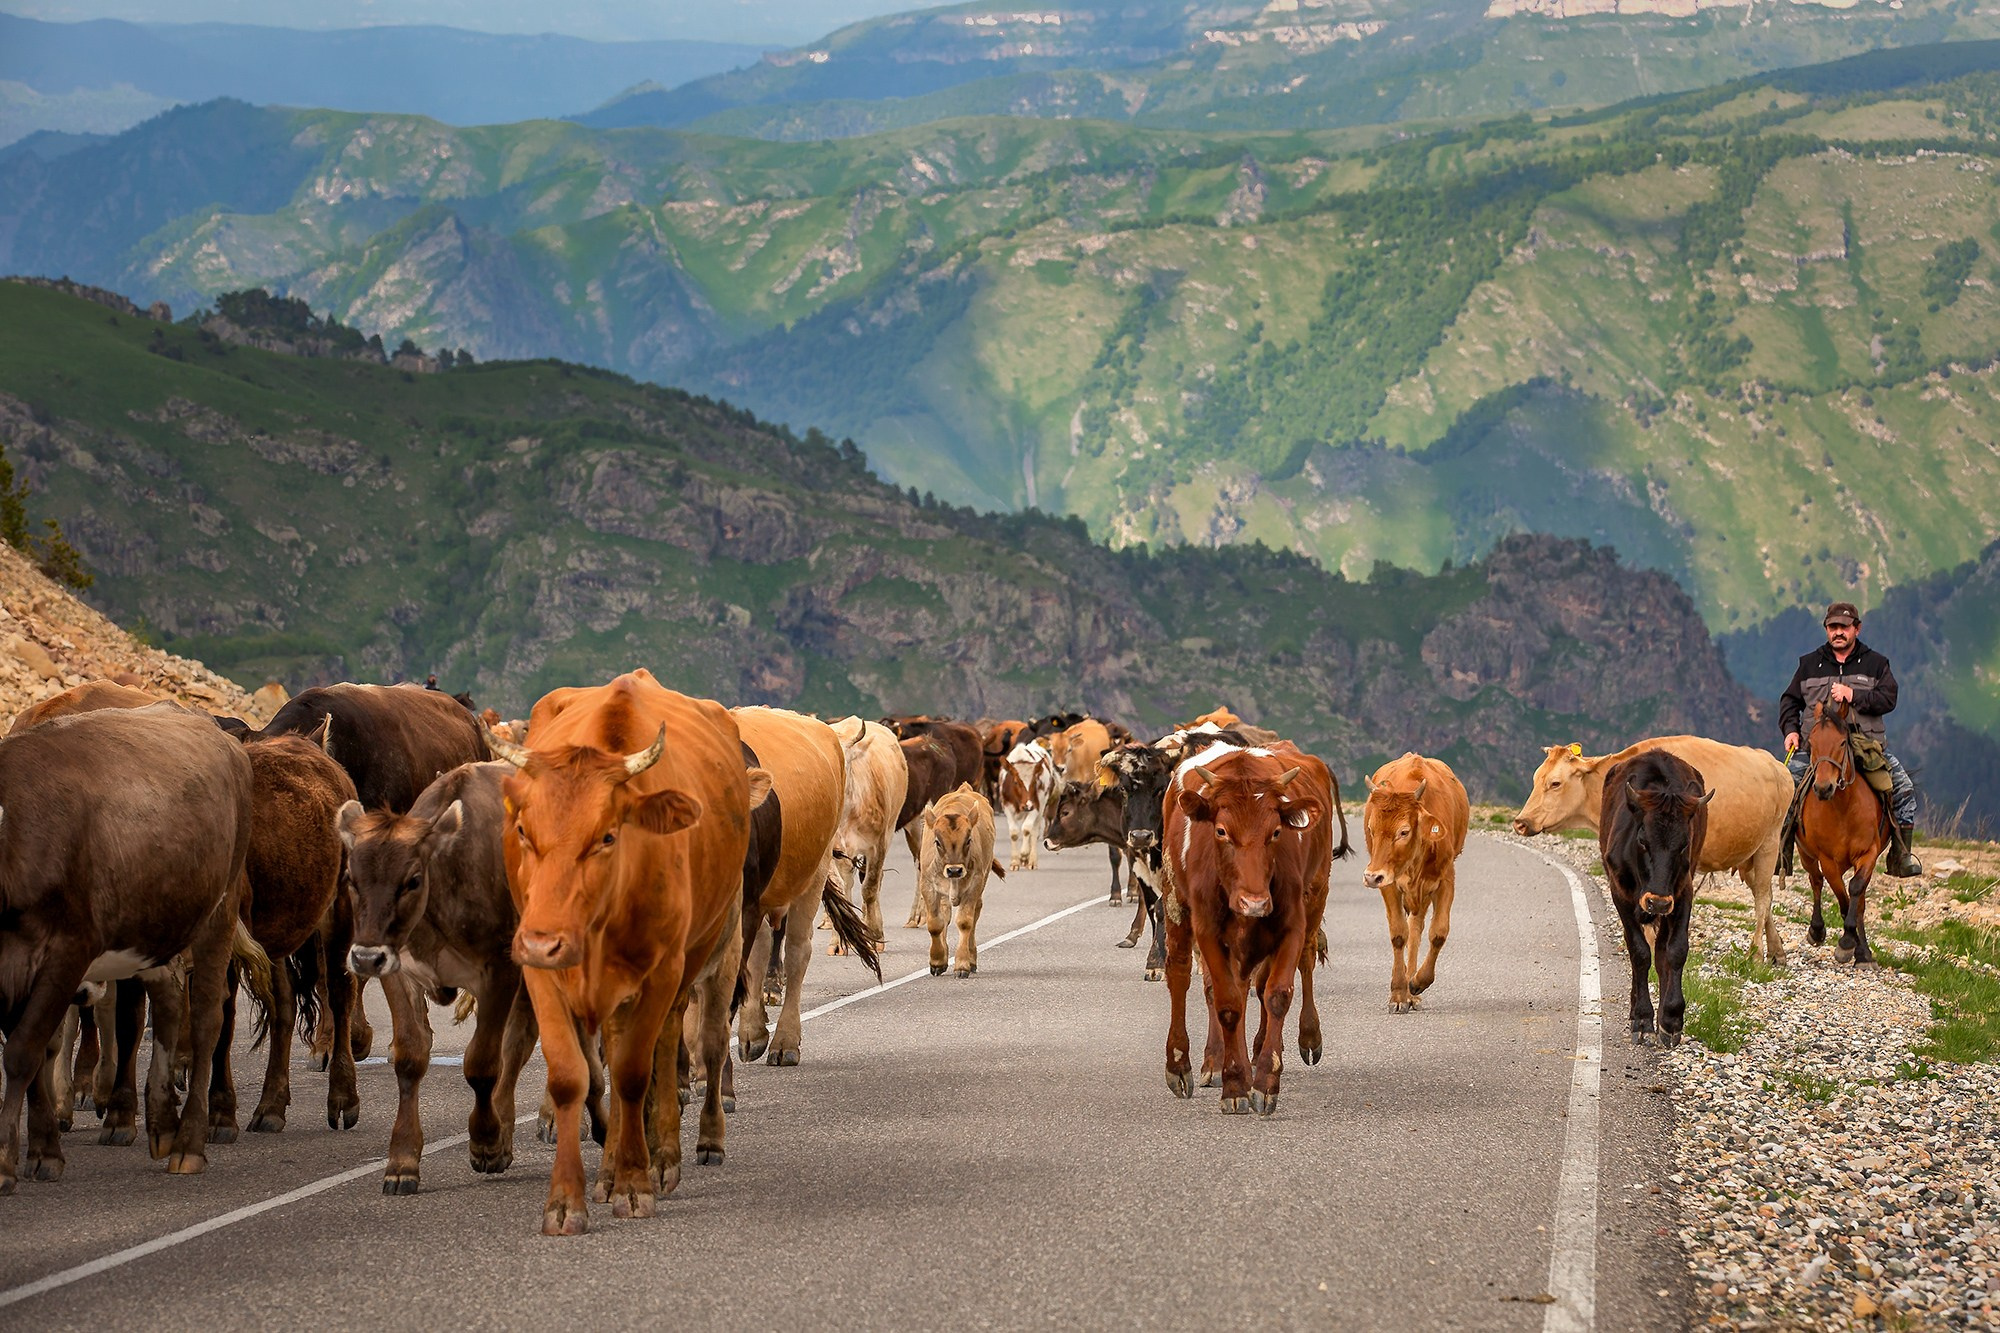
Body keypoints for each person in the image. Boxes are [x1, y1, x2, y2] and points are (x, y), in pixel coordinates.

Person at [1778, 601, 1922, 877]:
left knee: (1903, 790)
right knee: (1784, 787)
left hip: (1867, 746)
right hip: (1817, 748)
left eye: (1844, 627)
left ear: (1857, 628)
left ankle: (1901, 857)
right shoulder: (1809, 664)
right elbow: (1790, 700)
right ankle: (1781, 853)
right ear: (1827, 630)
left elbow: (1888, 698)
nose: (1838, 632)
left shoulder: (1877, 663)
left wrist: (1854, 695)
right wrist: (1791, 730)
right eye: (1833, 627)